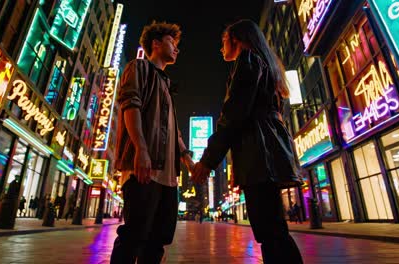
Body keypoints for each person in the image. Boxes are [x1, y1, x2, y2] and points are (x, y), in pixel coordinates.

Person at [192, 19, 303, 263]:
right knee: (274, 231)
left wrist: (208, 160)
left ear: (237, 39)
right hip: (267, 153)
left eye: (223, 40)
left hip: (259, 156)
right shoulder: (265, 64)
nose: (220, 47)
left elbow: (233, 116)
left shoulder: (248, 60)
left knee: (271, 233)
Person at [110, 21, 194, 264]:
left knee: (159, 239)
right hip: (143, 168)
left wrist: (187, 160)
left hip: (168, 177)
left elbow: (174, 131)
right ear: (156, 44)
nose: (176, 49)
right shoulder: (139, 67)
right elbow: (130, 104)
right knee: (134, 234)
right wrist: (141, 149)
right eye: (172, 42)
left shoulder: (166, 84)